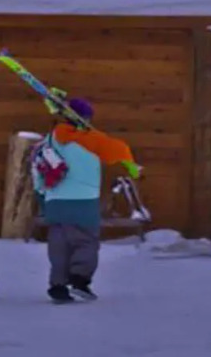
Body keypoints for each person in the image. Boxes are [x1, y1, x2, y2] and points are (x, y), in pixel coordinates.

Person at [32, 97, 136, 304]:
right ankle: (79, 279)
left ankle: (58, 285)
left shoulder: (49, 140)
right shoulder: (91, 139)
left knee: (59, 245)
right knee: (86, 241)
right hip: (83, 200)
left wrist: (42, 198)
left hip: (55, 201)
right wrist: (131, 165)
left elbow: (37, 170)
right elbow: (118, 150)